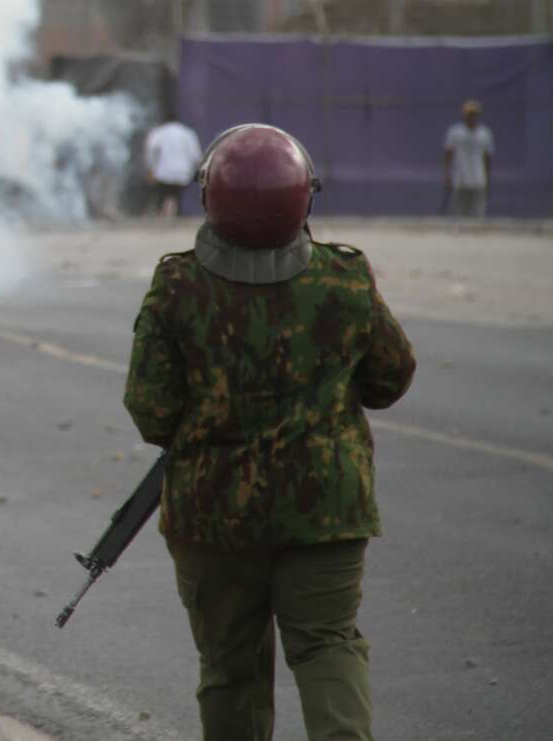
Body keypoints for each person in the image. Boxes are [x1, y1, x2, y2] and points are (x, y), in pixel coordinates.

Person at [125, 124, 416, 741]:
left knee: (231, 668)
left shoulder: (178, 285)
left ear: (209, 197)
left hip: (213, 519)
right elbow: (390, 381)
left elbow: (151, 410)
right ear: (305, 198)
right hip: (327, 513)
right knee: (327, 647)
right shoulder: (345, 277)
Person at [142, 113, 202, 218]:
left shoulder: (158, 133)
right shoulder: (188, 133)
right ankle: (175, 212)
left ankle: (164, 213)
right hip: (183, 174)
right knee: (176, 195)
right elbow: (196, 156)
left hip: (163, 173)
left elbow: (151, 152)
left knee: (164, 194)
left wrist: (150, 170)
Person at [442, 99, 495, 218]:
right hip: (460, 179)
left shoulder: (484, 133)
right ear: (464, 115)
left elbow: (487, 157)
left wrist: (487, 176)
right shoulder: (455, 132)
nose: (471, 117)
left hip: (478, 179)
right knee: (460, 213)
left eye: (474, 114)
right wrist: (447, 173)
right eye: (469, 114)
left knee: (478, 213)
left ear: (478, 115)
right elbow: (448, 154)